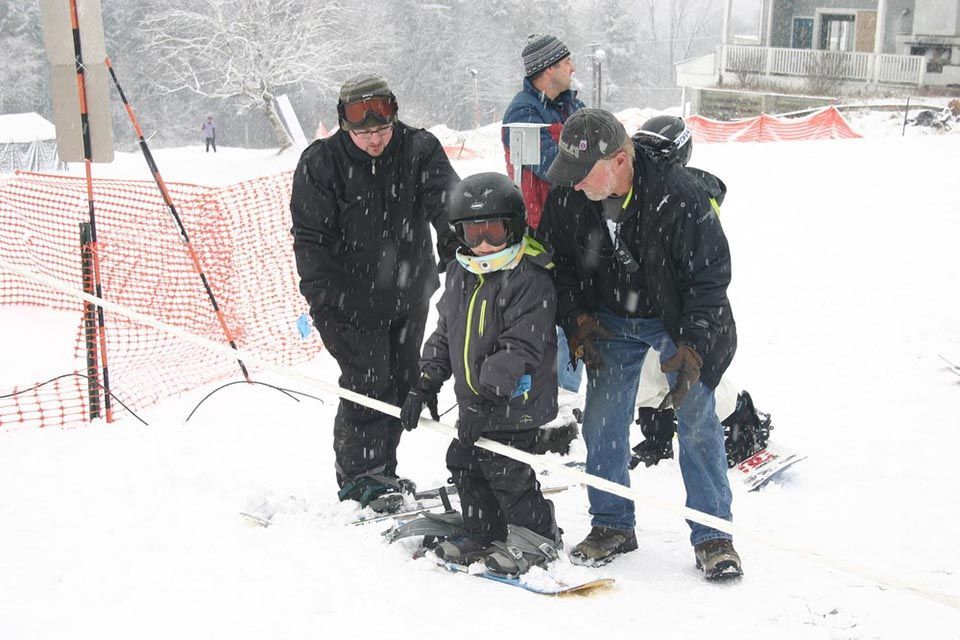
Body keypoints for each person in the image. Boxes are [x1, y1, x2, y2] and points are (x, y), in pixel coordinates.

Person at [538, 108, 742, 580]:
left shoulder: (680, 198)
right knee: (603, 420)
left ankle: (713, 534)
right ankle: (612, 524)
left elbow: (708, 281)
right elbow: (559, 265)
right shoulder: (571, 197)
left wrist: (692, 348)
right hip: (609, 316)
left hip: (673, 317)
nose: (574, 185)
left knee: (695, 416)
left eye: (583, 174)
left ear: (622, 161)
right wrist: (577, 316)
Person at [290, 74, 460, 512]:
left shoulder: (418, 149)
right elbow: (311, 241)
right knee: (367, 383)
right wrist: (325, 303)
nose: (374, 140)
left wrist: (457, 244)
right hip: (348, 301)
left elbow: (447, 203)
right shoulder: (321, 164)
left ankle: (382, 469)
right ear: (345, 126)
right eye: (363, 132)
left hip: (408, 292)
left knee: (403, 383)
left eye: (382, 130)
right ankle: (360, 478)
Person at [400, 172, 562, 576]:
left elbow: (518, 347)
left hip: (515, 400)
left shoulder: (530, 277)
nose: (484, 244)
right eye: (474, 234)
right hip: (478, 402)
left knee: (505, 469)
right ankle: (484, 529)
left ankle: (537, 535)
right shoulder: (461, 273)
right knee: (465, 461)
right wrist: (425, 382)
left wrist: (487, 398)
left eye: (494, 231)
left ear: (514, 227)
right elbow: (445, 332)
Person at [502, 32, 586, 420]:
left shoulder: (571, 106)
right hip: (538, 235)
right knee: (542, 320)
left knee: (578, 316)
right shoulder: (522, 114)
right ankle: (546, 407)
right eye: (567, 60)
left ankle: (568, 403)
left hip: (579, 230)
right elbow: (556, 168)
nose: (573, 67)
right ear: (548, 68)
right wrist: (588, 156)